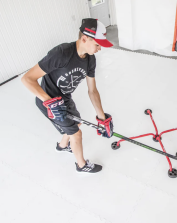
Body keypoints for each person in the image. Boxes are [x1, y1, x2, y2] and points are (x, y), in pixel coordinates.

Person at [21, 18, 114, 174]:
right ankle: (81, 165)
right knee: (76, 134)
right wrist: (49, 102)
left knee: (76, 125)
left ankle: (62, 146)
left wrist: (102, 117)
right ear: (84, 38)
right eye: (97, 44)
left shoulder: (91, 60)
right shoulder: (62, 53)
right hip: (49, 102)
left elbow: (92, 91)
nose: (99, 48)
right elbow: (27, 79)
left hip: (65, 99)